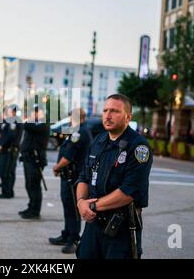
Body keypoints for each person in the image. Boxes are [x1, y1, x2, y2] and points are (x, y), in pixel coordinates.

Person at [76, 94, 153, 259]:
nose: (108, 115)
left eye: (114, 111)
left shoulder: (139, 146)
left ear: (128, 117)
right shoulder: (98, 140)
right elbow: (84, 177)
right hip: (93, 225)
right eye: (105, 110)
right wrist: (81, 202)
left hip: (120, 228)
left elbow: (129, 192)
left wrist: (92, 206)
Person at [50, 108, 93, 254]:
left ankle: (74, 239)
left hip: (74, 176)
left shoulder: (78, 133)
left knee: (73, 209)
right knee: (67, 206)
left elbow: (68, 156)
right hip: (68, 175)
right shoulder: (75, 130)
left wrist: (57, 167)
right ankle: (67, 234)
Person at [18, 105, 50, 220]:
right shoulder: (33, 123)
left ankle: (35, 211)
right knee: (29, 185)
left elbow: (27, 125)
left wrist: (27, 119)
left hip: (36, 159)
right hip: (28, 158)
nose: (34, 114)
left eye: (36, 112)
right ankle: (31, 207)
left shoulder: (42, 124)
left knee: (34, 186)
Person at [0, 106, 23, 199]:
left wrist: (2, 145)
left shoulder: (13, 121)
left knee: (5, 172)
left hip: (9, 150)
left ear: (13, 112)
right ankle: (8, 191)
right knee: (9, 172)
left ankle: (7, 192)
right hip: (8, 150)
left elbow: (11, 135)